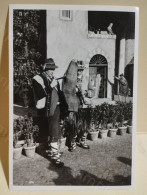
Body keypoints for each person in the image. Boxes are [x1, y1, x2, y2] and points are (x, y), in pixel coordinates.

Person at [32, 58, 64, 168]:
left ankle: (54, 151)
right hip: (47, 110)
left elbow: (59, 94)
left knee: (55, 130)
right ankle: (55, 157)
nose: (52, 71)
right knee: (53, 130)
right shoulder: (37, 79)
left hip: (56, 108)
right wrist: (51, 85)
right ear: (44, 68)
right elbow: (41, 94)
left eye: (53, 69)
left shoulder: (53, 79)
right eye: (50, 69)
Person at [62, 60, 90, 152]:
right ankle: (72, 143)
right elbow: (65, 91)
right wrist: (75, 90)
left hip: (83, 105)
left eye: (81, 70)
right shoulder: (69, 78)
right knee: (73, 125)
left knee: (84, 125)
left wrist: (86, 93)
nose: (79, 72)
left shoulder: (86, 79)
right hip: (73, 106)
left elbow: (92, 91)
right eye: (78, 70)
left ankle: (82, 141)